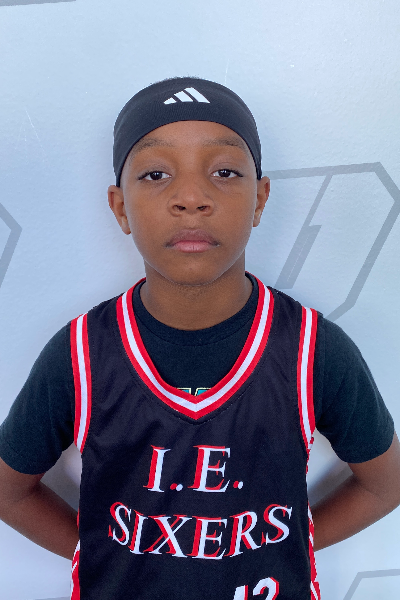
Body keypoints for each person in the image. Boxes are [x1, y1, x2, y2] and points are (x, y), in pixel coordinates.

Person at [0, 76, 399, 600]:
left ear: (260, 199)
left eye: (224, 172)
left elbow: (386, 484)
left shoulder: (311, 349)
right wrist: (100, 550)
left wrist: (288, 549)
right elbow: (9, 493)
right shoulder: (80, 353)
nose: (191, 198)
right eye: (156, 174)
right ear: (120, 207)